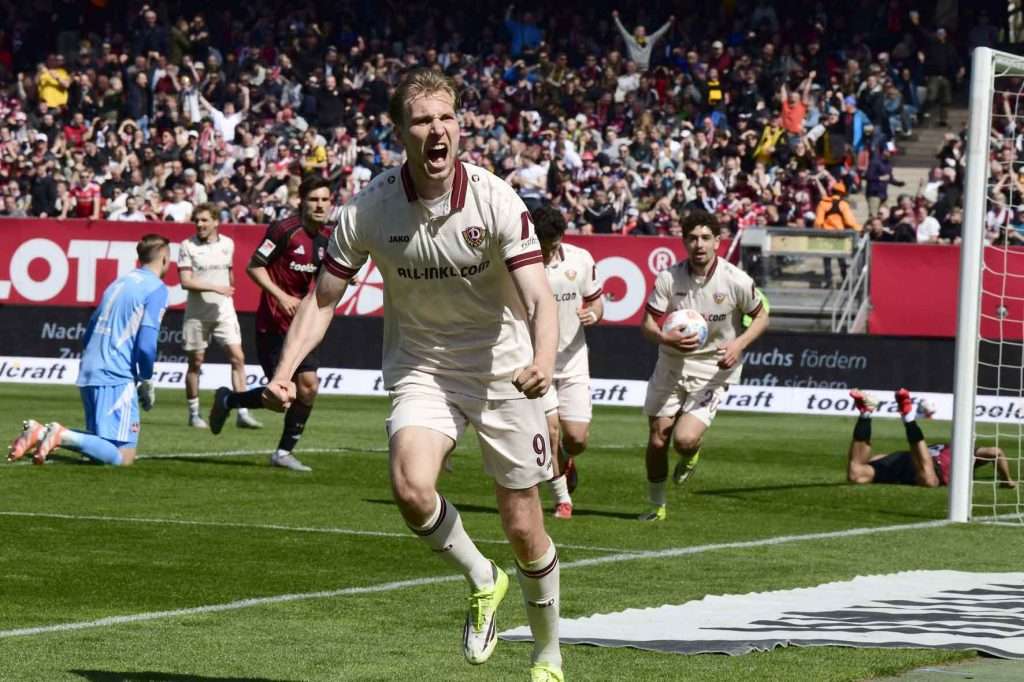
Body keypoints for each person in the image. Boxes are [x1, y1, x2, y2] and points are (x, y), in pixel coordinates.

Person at [261, 69, 564, 682]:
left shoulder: (496, 199)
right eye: (422, 120)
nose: (437, 130)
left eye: (446, 117)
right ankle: (483, 577)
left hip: (504, 369)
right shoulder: (370, 209)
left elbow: (539, 297)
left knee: (523, 524)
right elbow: (322, 300)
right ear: (400, 132)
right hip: (423, 366)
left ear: (460, 126)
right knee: (410, 487)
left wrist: (543, 361)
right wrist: (285, 370)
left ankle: (547, 653)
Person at [638, 210, 768, 521]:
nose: (699, 244)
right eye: (693, 238)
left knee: (684, 440)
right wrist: (664, 338)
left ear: (717, 242)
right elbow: (647, 324)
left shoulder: (736, 280)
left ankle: (691, 453)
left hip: (713, 368)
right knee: (657, 438)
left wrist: (738, 345)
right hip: (671, 364)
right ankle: (656, 506)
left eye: (706, 238)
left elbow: (762, 316)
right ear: (684, 242)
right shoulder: (669, 278)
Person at [8, 235, 171, 466]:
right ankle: (58, 435)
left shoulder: (119, 282)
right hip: (115, 374)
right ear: (164, 259)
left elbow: (90, 330)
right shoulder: (157, 289)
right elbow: (146, 342)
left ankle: (41, 432)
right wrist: (145, 378)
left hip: (90, 369)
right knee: (123, 457)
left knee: (99, 445)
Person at [207, 176, 334, 473]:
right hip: (273, 323)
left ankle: (283, 453)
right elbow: (254, 266)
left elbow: (325, 276)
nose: (319, 205)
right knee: (281, 397)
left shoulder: (327, 238)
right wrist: (281, 296)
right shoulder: (284, 230)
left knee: (309, 387)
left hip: (301, 326)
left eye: (324, 199)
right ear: (301, 201)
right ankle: (228, 400)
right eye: (314, 199)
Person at [533, 205, 604, 520]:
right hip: (537, 361)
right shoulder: (517, 262)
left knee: (575, 439)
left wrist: (594, 314)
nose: (548, 253)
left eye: (553, 246)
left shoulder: (580, 259)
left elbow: (596, 301)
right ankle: (562, 500)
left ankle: (566, 458)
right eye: (542, 247)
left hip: (574, 359)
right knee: (550, 431)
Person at [178, 204, 262, 430]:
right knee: (195, 363)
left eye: (204, 220)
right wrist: (217, 287)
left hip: (223, 310)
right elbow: (186, 281)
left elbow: (229, 272)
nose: (200, 224)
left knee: (238, 358)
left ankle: (242, 411)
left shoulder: (227, 244)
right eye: (197, 220)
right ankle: (194, 414)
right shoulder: (187, 246)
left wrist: (227, 286)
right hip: (196, 314)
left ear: (216, 222)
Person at [847, 388, 1016, 488]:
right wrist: (1006, 480)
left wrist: (880, 460)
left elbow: (879, 457)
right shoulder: (963, 451)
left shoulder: (957, 451)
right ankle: (908, 418)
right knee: (929, 480)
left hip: (905, 462)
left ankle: (865, 414)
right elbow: (996, 452)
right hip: (924, 466)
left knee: (856, 474)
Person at [813, 181, 861, 287]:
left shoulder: (823, 203)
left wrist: (817, 233)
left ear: (832, 191)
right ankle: (845, 281)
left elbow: (818, 222)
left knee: (827, 259)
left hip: (826, 235)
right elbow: (850, 222)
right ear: (842, 193)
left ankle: (828, 281)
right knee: (841, 259)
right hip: (840, 236)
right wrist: (859, 229)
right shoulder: (843, 205)